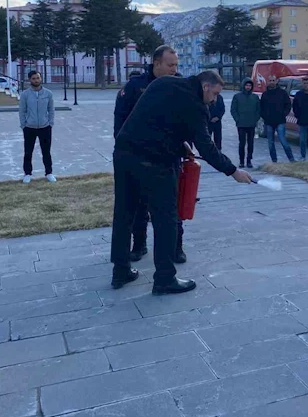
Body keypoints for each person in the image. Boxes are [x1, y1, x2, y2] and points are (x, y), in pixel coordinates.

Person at [111, 71, 253, 295]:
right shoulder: (196, 105)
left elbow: (157, 120)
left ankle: (120, 271)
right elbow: (207, 148)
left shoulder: (164, 83)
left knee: (124, 214)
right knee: (166, 218)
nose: (215, 100)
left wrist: (180, 144)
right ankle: (165, 279)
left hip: (124, 153)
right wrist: (233, 170)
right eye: (215, 94)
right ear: (206, 86)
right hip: (155, 163)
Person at [113, 45, 179, 262]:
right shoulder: (135, 86)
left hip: (169, 156)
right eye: (170, 65)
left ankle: (176, 248)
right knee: (139, 206)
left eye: (176, 65)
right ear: (156, 63)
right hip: (139, 158)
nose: (174, 69)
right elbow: (120, 119)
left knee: (172, 206)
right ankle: (139, 245)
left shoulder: (179, 85)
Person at [19, 70, 56, 184]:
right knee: (28, 152)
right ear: (30, 80)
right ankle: (27, 173)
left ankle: (49, 173)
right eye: (34, 78)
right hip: (29, 127)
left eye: (38, 78)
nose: (36, 80)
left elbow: (51, 109)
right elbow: (22, 111)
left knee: (46, 151)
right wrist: (24, 125)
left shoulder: (48, 94)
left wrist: (50, 123)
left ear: (41, 79)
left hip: (45, 127)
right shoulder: (25, 94)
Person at [260, 75, 295, 163]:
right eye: (270, 80)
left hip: (280, 121)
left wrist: (284, 114)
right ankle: (274, 161)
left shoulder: (282, 93)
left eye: (273, 80)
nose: (272, 82)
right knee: (270, 143)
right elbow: (261, 107)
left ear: (276, 81)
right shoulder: (265, 94)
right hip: (269, 122)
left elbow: (288, 105)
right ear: (268, 81)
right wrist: (265, 116)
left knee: (283, 140)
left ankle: (291, 159)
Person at [231, 78, 260, 169]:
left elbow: (258, 110)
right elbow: (233, 109)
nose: (248, 87)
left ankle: (249, 160)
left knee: (251, 144)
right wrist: (237, 119)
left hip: (251, 124)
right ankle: (241, 161)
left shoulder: (255, 97)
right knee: (242, 143)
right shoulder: (237, 96)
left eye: (250, 85)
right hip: (241, 124)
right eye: (247, 85)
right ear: (243, 86)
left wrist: (255, 119)